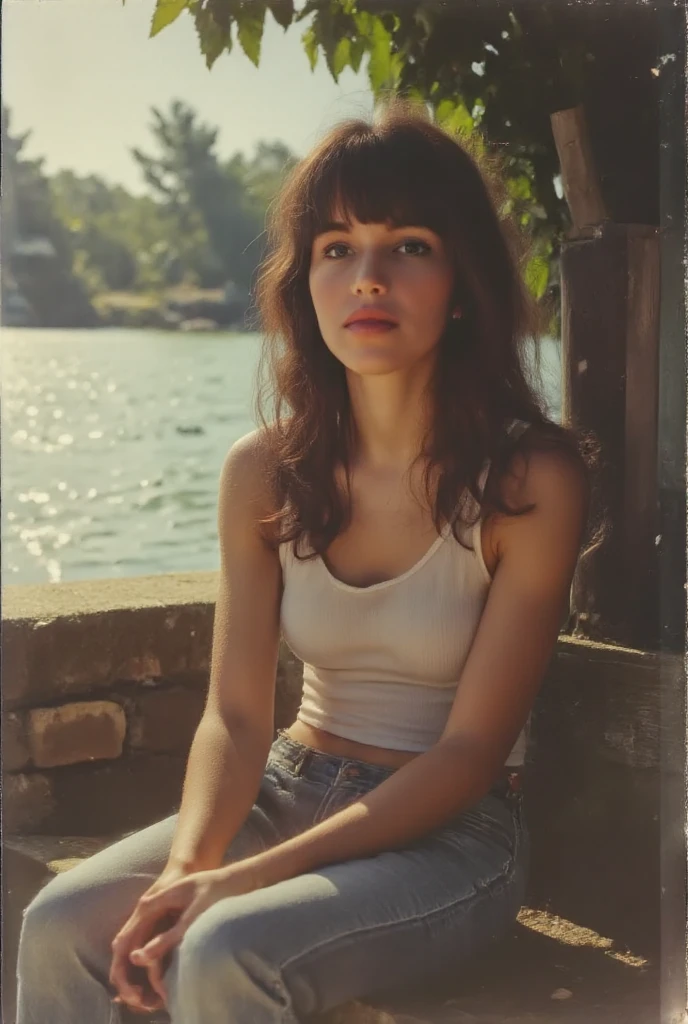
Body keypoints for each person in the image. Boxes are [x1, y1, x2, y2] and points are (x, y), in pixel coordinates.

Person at [16, 96, 592, 1024]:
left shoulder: (528, 483)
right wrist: (187, 868)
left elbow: (469, 754)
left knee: (226, 948)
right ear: (306, 284)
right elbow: (237, 715)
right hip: (286, 787)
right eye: (336, 248)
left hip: (451, 837)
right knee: (58, 924)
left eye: (409, 246)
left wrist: (240, 883)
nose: (368, 279)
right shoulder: (264, 474)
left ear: (462, 284)